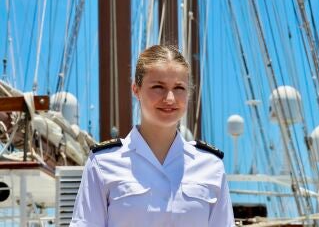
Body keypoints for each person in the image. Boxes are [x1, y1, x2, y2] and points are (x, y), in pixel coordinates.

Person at [70, 45, 235, 226]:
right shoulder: (102, 164)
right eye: (158, 87)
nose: (170, 98)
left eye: (179, 87)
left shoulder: (211, 166)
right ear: (136, 89)